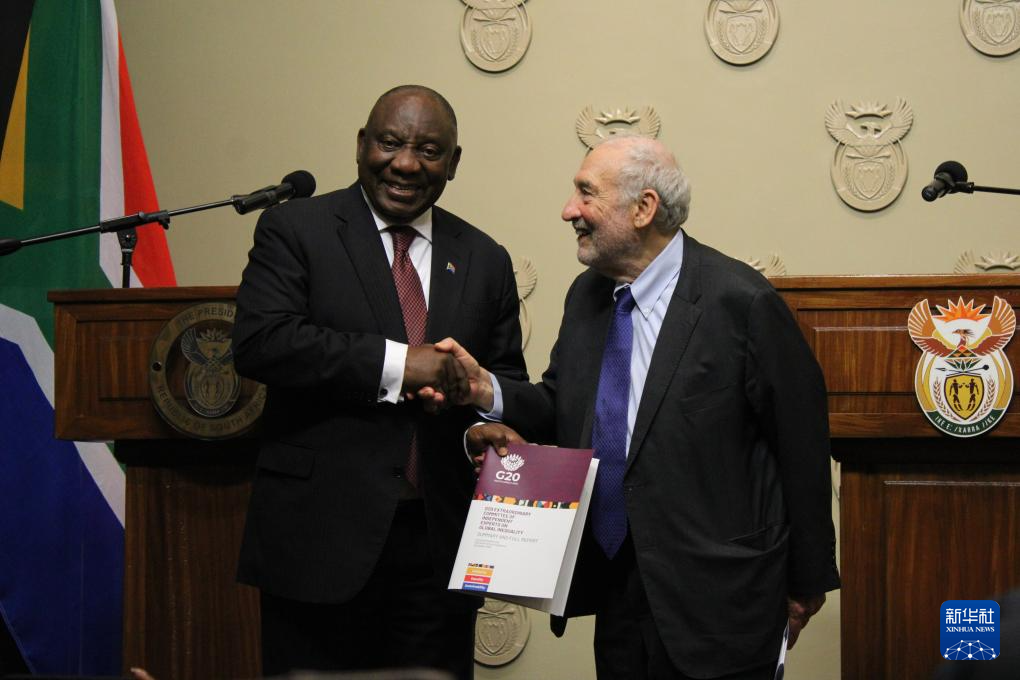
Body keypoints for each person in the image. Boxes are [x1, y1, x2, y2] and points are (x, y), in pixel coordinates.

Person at [433, 135, 840, 679]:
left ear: (644, 208)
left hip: (720, 594)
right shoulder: (587, 296)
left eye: (586, 194)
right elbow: (565, 404)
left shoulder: (740, 302)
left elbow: (802, 446)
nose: (569, 210)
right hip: (616, 585)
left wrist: (806, 582)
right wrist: (486, 389)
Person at [232, 85, 527, 679]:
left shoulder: (484, 257)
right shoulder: (296, 228)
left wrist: (482, 429)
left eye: (429, 150)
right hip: (318, 538)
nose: (406, 163)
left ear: (453, 162)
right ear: (362, 144)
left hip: (438, 548)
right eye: (390, 143)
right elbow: (263, 341)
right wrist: (400, 364)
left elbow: (503, 383)